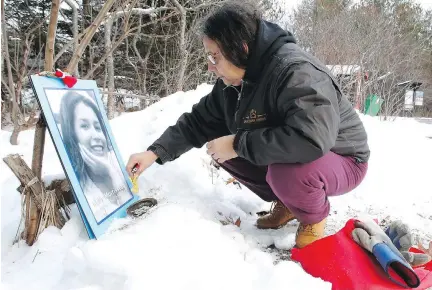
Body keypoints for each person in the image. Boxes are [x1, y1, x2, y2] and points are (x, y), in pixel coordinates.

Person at [126, 2, 370, 248]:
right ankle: (289, 203)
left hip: (343, 158)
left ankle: (313, 216)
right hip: (302, 153)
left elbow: (310, 138)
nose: (210, 66)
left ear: (240, 48)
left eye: (215, 57)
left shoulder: (296, 71)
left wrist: (237, 143)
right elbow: (200, 120)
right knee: (219, 147)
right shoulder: (235, 79)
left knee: (280, 169)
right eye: (208, 57)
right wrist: (155, 152)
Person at [59, 91, 132, 222]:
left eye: (98, 128)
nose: (96, 136)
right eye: (85, 126)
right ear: (72, 134)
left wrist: (112, 173)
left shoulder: (115, 167)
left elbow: (130, 208)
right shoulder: (82, 186)